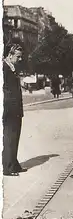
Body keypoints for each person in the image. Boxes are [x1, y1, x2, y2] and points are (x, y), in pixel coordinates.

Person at [2, 42, 27, 176]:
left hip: (15, 108)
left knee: (15, 136)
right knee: (9, 137)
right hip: (9, 108)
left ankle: (14, 164)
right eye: (18, 56)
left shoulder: (12, 67)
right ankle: (7, 167)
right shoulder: (4, 68)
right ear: (10, 55)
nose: (20, 59)